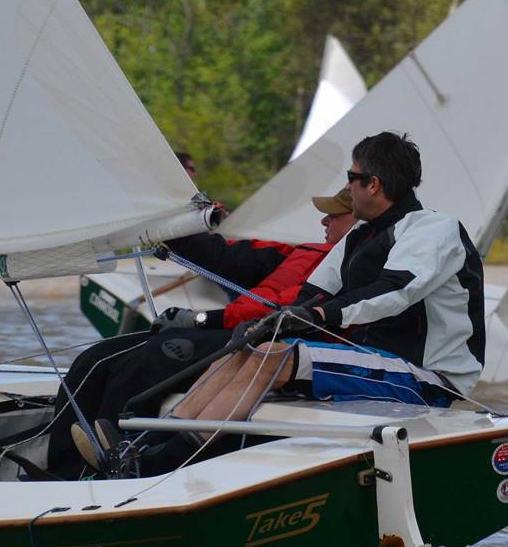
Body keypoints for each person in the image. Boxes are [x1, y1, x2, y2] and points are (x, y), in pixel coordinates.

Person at [169, 130, 486, 422]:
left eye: (351, 177)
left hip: (429, 378)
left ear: (372, 184)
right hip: (379, 360)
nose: (347, 187)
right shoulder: (360, 236)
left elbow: (395, 290)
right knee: (245, 347)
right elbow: (314, 294)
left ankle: (178, 452)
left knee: (270, 357)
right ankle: (162, 439)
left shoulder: (434, 228)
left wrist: (319, 314)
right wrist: (264, 324)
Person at [52, 190, 356, 476]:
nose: (323, 221)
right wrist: (175, 224)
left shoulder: (353, 264)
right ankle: (61, 469)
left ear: (358, 221)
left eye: (334, 215)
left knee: (149, 360)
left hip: (268, 338)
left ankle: (108, 468)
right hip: (237, 331)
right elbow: (225, 257)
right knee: (94, 358)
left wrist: (202, 319)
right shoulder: (304, 252)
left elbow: (286, 308)